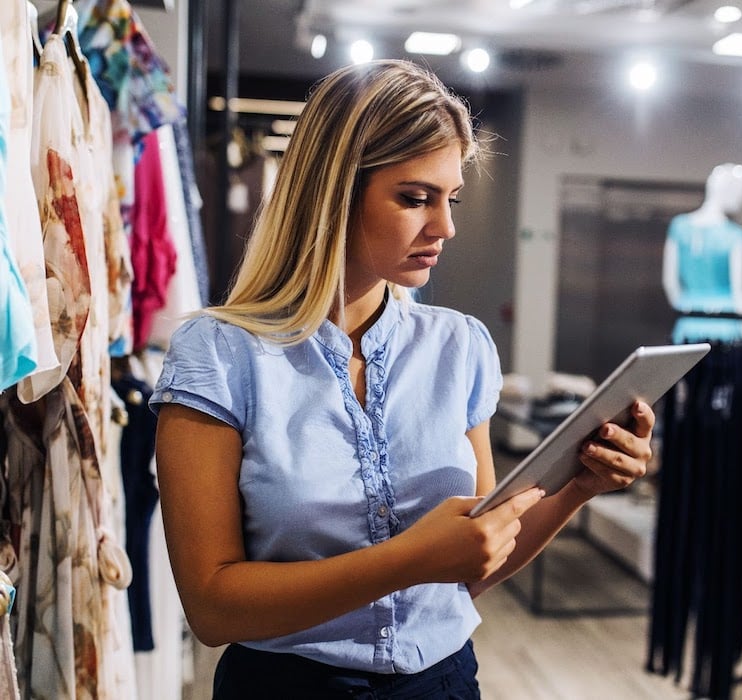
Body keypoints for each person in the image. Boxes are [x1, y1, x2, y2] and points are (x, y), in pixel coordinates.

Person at [149, 59, 654, 699]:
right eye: (415, 199)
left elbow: (475, 559)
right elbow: (213, 606)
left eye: (451, 199)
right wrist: (412, 558)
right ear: (332, 191)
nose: (444, 227)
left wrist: (578, 487)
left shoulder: (458, 345)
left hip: (444, 682)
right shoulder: (219, 354)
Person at [662, 162, 742, 343]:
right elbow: (739, 292)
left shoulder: (679, 226)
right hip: (725, 325)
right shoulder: (736, 235)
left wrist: (685, 308)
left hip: (687, 323)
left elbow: (670, 283)